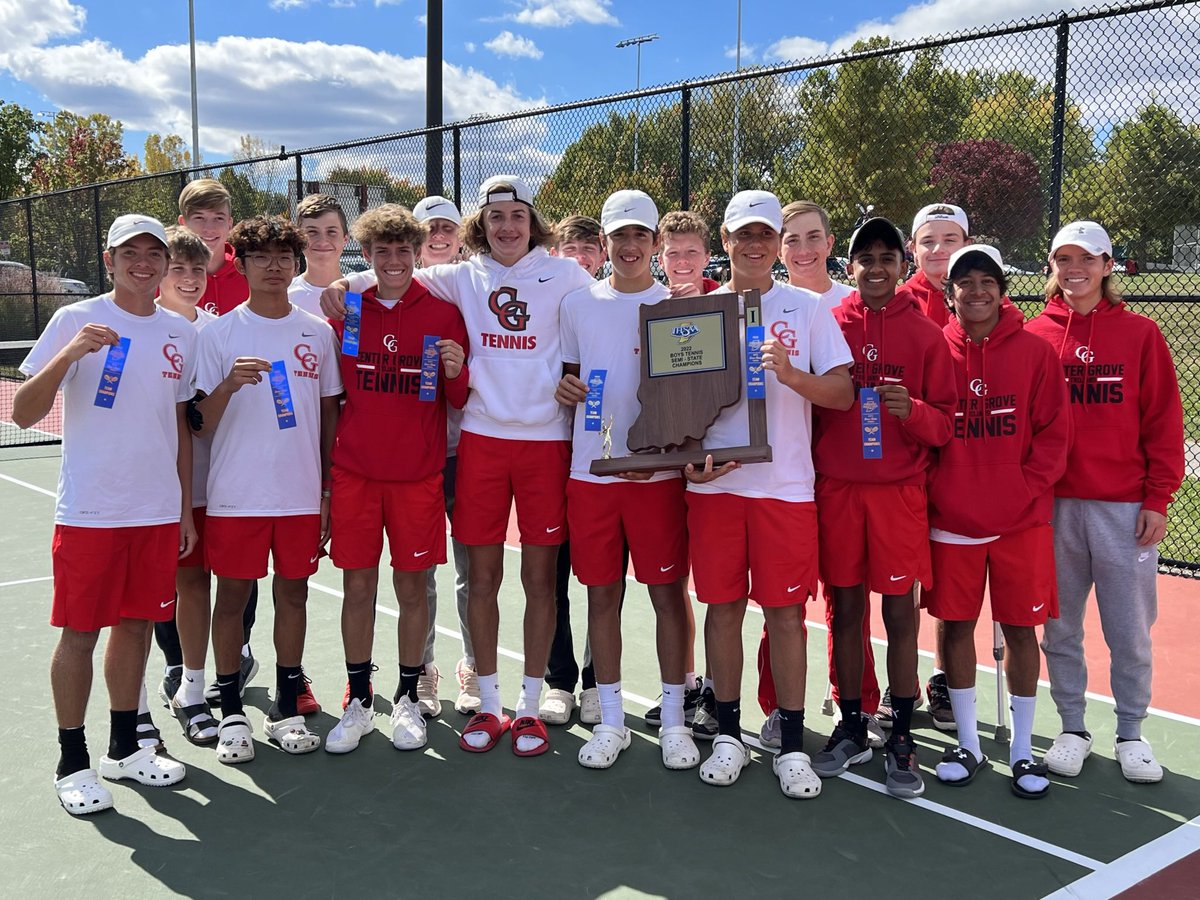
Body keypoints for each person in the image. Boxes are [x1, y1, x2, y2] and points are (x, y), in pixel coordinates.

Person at [322, 175, 594, 756]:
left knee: (541, 580)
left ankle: (529, 705)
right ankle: (489, 703)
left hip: (548, 442)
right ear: (482, 226)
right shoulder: (459, 277)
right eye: (496, 217)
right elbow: (391, 274)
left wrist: (579, 378)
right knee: (483, 579)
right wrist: (343, 283)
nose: (507, 226)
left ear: (533, 222)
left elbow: (605, 326)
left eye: (518, 215)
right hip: (481, 440)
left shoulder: (568, 273)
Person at [15, 214, 195, 813]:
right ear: (109, 258)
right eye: (130, 253)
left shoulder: (181, 332)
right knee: (80, 634)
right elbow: (21, 413)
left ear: (165, 263)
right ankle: (72, 760)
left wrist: (183, 508)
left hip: (156, 510)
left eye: (154, 253)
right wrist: (69, 353)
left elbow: (177, 423)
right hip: (91, 510)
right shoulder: (74, 318)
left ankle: (126, 749)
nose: (143, 263)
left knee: (138, 626)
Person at [687, 191, 854, 798]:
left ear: (775, 243)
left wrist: (791, 375)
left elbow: (841, 394)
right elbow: (673, 407)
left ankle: (789, 744)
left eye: (765, 234)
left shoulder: (807, 309)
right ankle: (728, 731)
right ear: (725, 242)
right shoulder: (696, 312)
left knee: (786, 616)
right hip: (716, 490)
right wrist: (687, 466)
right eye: (742, 235)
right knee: (723, 608)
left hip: (785, 488)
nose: (754, 245)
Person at [1029, 221, 1184, 784]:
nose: (1075, 269)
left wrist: (1158, 496)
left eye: (1087, 259)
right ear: (1052, 264)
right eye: (1064, 258)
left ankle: (1131, 733)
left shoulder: (1141, 335)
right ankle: (1072, 726)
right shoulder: (1036, 334)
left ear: (1108, 265)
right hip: (1055, 507)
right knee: (1060, 627)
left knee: (1129, 631)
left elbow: (1164, 422)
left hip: (1123, 508)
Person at [809, 216, 956, 800]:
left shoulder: (925, 334)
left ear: (903, 265)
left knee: (900, 617)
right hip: (839, 490)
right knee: (845, 613)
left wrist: (913, 411)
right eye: (864, 257)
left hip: (897, 495)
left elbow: (946, 425)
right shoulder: (829, 324)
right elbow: (810, 406)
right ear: (850, 268)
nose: (875, 267)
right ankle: (851, 722)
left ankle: (900, 732)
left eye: (886, 257)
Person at [554, 190, 696, 771]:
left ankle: (672, 720)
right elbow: (569, 378)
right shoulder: (577, 304)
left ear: (655, 243)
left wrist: (660, 454)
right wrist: (566, 392)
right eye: (620, 236)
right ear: (606, 243)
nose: (631, 246)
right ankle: (610, 719)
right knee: (602, 596)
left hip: (657, 479)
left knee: (667, 597)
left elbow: (691, 399)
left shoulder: (678, 306)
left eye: (641, 235)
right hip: (592, 474)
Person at [194, 215, 343, 763]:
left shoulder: (317, 332)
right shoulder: (218, 333)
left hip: (301, 494)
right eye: (262, 258)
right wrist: (229, 384)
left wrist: (326, 488)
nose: (275, 267)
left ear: (296, 262)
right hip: (236, 494)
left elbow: (329, 415)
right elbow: (199, 424)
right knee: (231, 598)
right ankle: (231, 706)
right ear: (245, 264)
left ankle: (285, 701)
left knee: (294, 595)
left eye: (284, 256)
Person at [926, 244, 1070, 798]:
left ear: (1003, 290)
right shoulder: (935, 349)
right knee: (956, 627)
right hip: (952, 521)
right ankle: (968, 742)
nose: (977, 291)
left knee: (1020, 630)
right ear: (951, 292)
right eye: (966, 282)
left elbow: (1054, 439)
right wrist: (943, 491)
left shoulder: (1035, 353)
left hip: (1021, 522)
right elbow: (925, 432)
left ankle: (1022, 750)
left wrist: (1020, 492)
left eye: (988, 281)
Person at [323, 204, 469, 754]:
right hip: (356, 474)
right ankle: (359, 699)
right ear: (367, 256)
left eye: (402, 251)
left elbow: (455, 398)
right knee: (357, 587)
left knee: (413, 589)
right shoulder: (350, 311)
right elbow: (337, 390)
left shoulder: (442, 313)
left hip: (417, 478)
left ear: (416, 254)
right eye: (380, 251)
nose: (392, 261)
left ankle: (409, 697)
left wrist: (458, 371)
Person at [756, 200, 885, 752]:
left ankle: (859, 701)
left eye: (813, 237)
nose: (803, 249)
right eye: (792, 240)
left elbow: (850, 392)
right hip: (779, 470)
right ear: (780, 248)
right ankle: (773, 706)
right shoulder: (767, 302)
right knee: (778, 601)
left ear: (831, 244)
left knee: (846, 597)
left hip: (837, 472)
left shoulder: (850, 308)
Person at [900, 202, 972, 731]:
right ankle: (890, 686)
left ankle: (945, 677)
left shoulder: (979, 300)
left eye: (951, 240)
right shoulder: (896, 302)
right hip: (906, 469)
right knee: (896, 588)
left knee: (951, 589)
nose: (939, 250)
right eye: (929, 241)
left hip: (965, 469)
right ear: (912, 248)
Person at [154, 226, 221, 746]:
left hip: (214, 485)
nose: (191, 278)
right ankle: (177, 680)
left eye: (198, 269)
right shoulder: (145, 327)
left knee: (209, 585)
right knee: (168, 590)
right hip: (155, 490)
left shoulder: (217, 330)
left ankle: (198, 683)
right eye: (179, 268)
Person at [411, 195, 475, 718]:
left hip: (467, 449)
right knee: (419, 571)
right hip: (412, 455)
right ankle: (423, 668)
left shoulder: (472, 289)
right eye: (428, 227)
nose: (438, 235)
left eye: (446, 228)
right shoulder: (382, 291)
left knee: (471, 568)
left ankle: (474, 666)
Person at [542, 213, 608, 728]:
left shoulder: (616, 305)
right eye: (572, 249)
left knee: (602, 580)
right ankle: (558, 680)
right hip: (549, 457)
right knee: (553, 575)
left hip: (600, 465)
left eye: (590, 248)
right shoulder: (550, 303)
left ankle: (595, 679)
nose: (581, 257)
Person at [289, 193, 350, 316]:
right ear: (299, 239)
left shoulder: (361, 291)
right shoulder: (284, 295)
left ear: (345, 239)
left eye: (331, 232)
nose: (322, 241)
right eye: (312, 232)